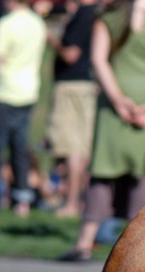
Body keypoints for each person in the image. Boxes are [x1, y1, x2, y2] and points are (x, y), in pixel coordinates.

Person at [59, 0, 145, 261]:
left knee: (104, 168)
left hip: (115, 102)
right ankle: (139, 246)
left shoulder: (110, 16)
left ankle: (85, 242)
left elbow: (98, 60)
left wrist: (119, 101)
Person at [0, 0, 46, 216]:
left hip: (4, 91)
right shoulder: (36, 22)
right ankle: (21, 200)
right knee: (20, 148)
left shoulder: (6, 24)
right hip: (28, 91)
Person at [44, 0, 98, 218]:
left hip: (72, 87)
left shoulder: (84, 15)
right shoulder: (96, 14)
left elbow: (70, 54)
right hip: (86, 87)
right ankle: (80, 202)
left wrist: (51, 39)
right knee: (81, 148)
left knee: (72, 148)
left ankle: (71, 203)